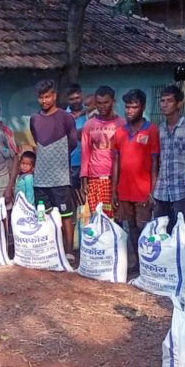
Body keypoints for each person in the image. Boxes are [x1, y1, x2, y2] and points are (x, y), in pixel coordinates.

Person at [30, 79, 78, 260]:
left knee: (66, 215)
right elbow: (36, 139)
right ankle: (50, 249)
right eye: (41, 97)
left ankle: (69, 252)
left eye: (47, 96)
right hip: (41, 177)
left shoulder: (66, 118)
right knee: (45, 215)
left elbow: (72, 142)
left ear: (55, 96)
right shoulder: (35, 119)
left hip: (60, 177)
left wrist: (57, 157)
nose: (44, 101)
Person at [112, 89, 159, 270]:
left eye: (134, 107)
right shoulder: (120, 132)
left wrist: (152, 191)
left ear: (143, 107)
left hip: (143, 191)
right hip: (124, 190)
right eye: (127, 107)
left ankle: (148, 264)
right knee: (130, 227)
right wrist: (114, 190)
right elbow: (116, 162)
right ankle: (138, 264)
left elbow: (155, 163)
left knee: (143, 228)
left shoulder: (152, 130)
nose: (130, 110)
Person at [152, 85, 185, 234]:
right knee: (162, 234)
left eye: (169, 101)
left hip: (182, 191)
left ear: (179, 104)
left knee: (184, 234)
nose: (164, 104)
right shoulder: (159, 130)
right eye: (162, 101)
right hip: (161, 191)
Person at [80, 86, 124, 218]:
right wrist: (84, 180)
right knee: (96, 217)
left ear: (113, 101)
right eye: (99, 103)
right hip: (94, 178)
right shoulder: (89, 125)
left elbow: (123, 155)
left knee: (113, 217)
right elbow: (85, 153)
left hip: (113, 178)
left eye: (106, 102)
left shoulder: (121, 124)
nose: (102, 106)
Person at [65, 83, 88, 196]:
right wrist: (81, 132)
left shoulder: (90, 113)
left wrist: (74, 133)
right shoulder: (63, 116)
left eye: (77, 98)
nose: (75, 101)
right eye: (72, 99)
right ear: (67, 100)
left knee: (89, 197)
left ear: (82, 96)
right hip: (72, 163)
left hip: (89, 163)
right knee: (73, 197)